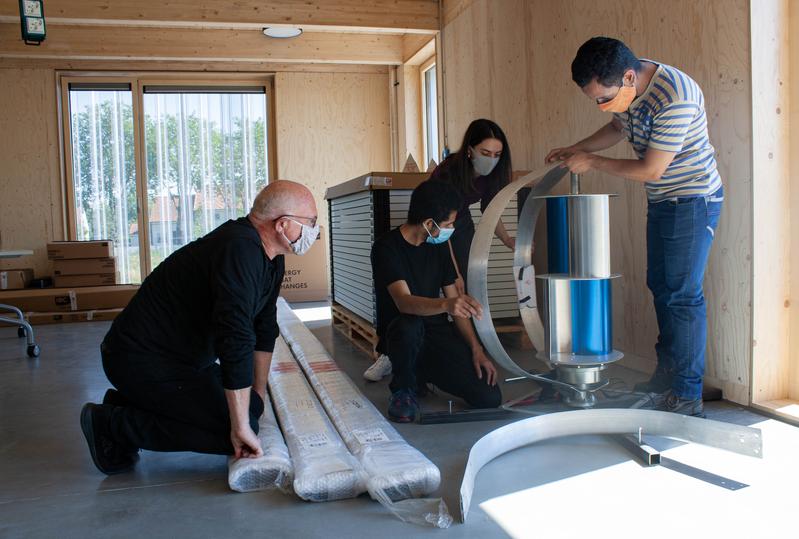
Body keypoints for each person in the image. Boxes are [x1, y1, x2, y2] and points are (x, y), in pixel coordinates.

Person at [80, 180, 319, 474]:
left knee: (251, 410)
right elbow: (235, 338)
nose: (314, 232)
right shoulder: (238, 249)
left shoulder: (271, 258)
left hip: (182, 361)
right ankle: (113, 424)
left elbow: (264, 326)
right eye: (311, 222)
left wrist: (257, 396)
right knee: (232, 433)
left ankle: (127, 403)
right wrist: (240, 424)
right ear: (283, 225)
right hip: (137, 360)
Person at [546, 37, 723, 417]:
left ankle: (688, 395)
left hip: (692, 201)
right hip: (664, 200)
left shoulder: (674, 96)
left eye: (603, 97)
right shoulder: (630, 83)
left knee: (682, 296)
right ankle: (667, 379)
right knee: (661, 288)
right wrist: (576, 148)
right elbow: (616, 127)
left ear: (628, 77)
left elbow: (650, 169)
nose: (602, 104)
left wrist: (591, 163)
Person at [370, 180, 502, 423]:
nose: (451, 229)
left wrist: (476, 349)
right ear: (429, 224)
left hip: (435, 329)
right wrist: (446, 305)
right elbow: (404, 302)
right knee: (409, 327)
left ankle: (422, 371)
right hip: (401, 332)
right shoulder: (386, 248)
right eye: (448, 224)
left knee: (488, 396)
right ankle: (403, 388)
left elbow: (455, 302)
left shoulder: (438, 245)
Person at [428, 119, 515, 295]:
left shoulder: (492, 175)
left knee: (469, 273)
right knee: (448, 277)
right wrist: (454, 273)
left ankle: (470, 319)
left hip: (460, 218)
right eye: (485, 152)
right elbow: (442, 230)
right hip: (434, 221)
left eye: (497, 154)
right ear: (469, 150)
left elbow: (490, 210)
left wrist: (507, 239)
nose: (491, 160)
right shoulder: (448, 173)